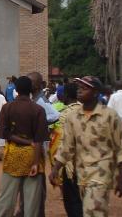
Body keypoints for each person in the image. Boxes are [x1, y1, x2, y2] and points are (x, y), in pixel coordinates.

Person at [50, 76, 122, 217]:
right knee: (89, 210)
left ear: (95, 92)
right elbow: (66, 147)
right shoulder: (72, 117)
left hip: (101, 173)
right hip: (81, 174)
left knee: (92, 210)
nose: (80, 91)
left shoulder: (109, 116)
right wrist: (55, 169)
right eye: (79, 88)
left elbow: (121, 149)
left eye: (85, 88)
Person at [0, 76, 48, 217]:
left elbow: (4, 133)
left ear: (16, 90)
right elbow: (39, 140)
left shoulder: (7, 108)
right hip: (33, 156)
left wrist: (22, 141)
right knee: (32, 202)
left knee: (6, 198)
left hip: (12, 155)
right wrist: (36, 163)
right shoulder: (38, 110)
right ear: (31, 89)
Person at [48, 82, 84, 217]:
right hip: (87, 163)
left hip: (70, 166)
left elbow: (64, 144)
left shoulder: (64, 114)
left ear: (66, 95)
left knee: (72, 202)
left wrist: (56, 167)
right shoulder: (86, 110)